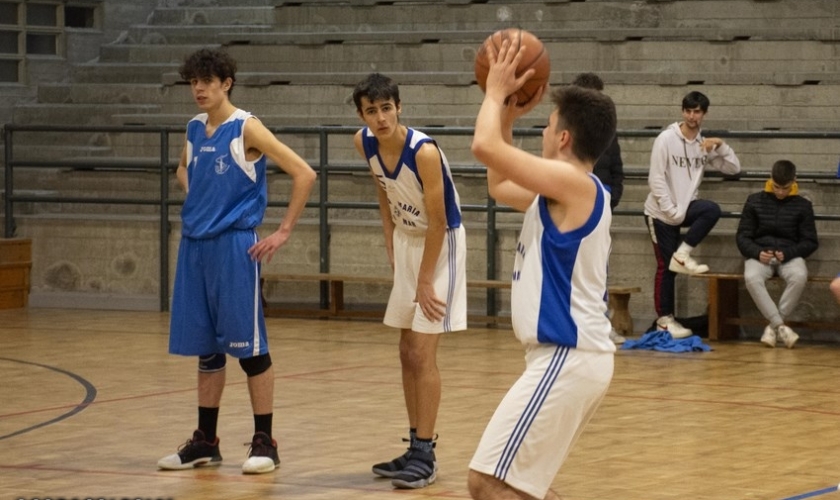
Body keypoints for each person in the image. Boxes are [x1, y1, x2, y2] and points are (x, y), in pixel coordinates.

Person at [468, 39, 616, 500]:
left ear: (564, 138)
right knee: (522, 487)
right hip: (565, 357)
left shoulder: (575, 185)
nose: (544, 132)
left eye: (548, 125)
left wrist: (495, 93)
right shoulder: (559, 193)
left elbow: (483, 147)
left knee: (487, 483)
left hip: (567, 356)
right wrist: (509, 114)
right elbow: (498, 184)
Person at [157, 48, 316, 474]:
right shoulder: (193, 128)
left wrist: (282, 231)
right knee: (207, 350)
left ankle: (266, 441)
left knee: (250, 349)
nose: (199, 89)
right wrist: (200, 197)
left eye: (207, 81)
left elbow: (304, 172)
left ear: (226, 83)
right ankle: (205, 441)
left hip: (234, 248)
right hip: (195, 247)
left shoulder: (246, 127)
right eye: (193, 82)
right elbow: (182, 169)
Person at [352, 73, 468, 489]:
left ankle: (427, 453)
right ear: (362, 115)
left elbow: (438, 221)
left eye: (386, 108)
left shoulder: (424, 151)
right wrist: (391, 245)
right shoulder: (363, 142)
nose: (380, 118)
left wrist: (422, 280)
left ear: (399, 107)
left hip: (441, 246)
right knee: (405, 352)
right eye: (371, 110)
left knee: (422, 352)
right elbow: (383, 194)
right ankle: (414, 445)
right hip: (406, 241)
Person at [643, 91, 741, 338]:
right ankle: (664, 321)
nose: (691, 115)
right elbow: (655, 179)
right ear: (682, 111)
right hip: (660, 212)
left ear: (704, 114)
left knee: (711, 210)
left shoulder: (704, 145)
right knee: (666, 267)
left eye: (697, 111)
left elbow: (733, 168)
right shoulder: (665, 139)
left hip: (684, 207)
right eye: (688, 110)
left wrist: (720, 144)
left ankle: (683, 253)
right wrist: (671, 211)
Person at [736, 160, 818, 348]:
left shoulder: (803, 205)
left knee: (799, 276)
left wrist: (789, 253)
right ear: (770, 179)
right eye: (777, 187)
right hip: (760, 254)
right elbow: (742, 237)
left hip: (789, 254)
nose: (780, 192)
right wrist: (757, 252)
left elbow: (810, 241)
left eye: (785, 188)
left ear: (794, 181)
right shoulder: (754, 201)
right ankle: (780, 326)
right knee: (751, 277)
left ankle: (773, 327)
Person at [572, 72, 626, 344]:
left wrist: (609, 199)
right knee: (574, 271)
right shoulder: (564, 133)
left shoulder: (608, 134)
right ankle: (574, 325)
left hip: (600, 211)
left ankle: (601, 324)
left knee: (599, 270)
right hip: (571, 212)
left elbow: (617, 171)